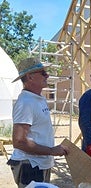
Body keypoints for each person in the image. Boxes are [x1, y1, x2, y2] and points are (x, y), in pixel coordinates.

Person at [7, 57, 69, 188]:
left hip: (39, 163)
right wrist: (51, 150)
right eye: (42, 72)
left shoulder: (37, 99)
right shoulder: (25, 102)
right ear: (30, 77)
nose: (47, 75)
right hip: (30, 165)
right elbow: (19, 141)